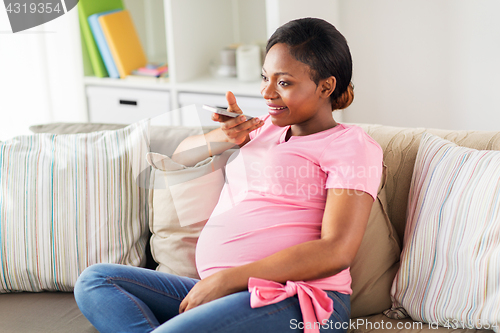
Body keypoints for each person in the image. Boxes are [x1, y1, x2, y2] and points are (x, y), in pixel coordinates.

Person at [74, 17, 383, 333]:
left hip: (300, 300)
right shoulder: (263, 129)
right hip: (223, 293)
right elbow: (177, 158)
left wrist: (227, 279)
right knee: (96, 281)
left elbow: (336, 249)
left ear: (326, 86)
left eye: (284, 83)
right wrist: (223, 139)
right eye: (265, 77)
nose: (267, 92)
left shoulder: (352, 146)